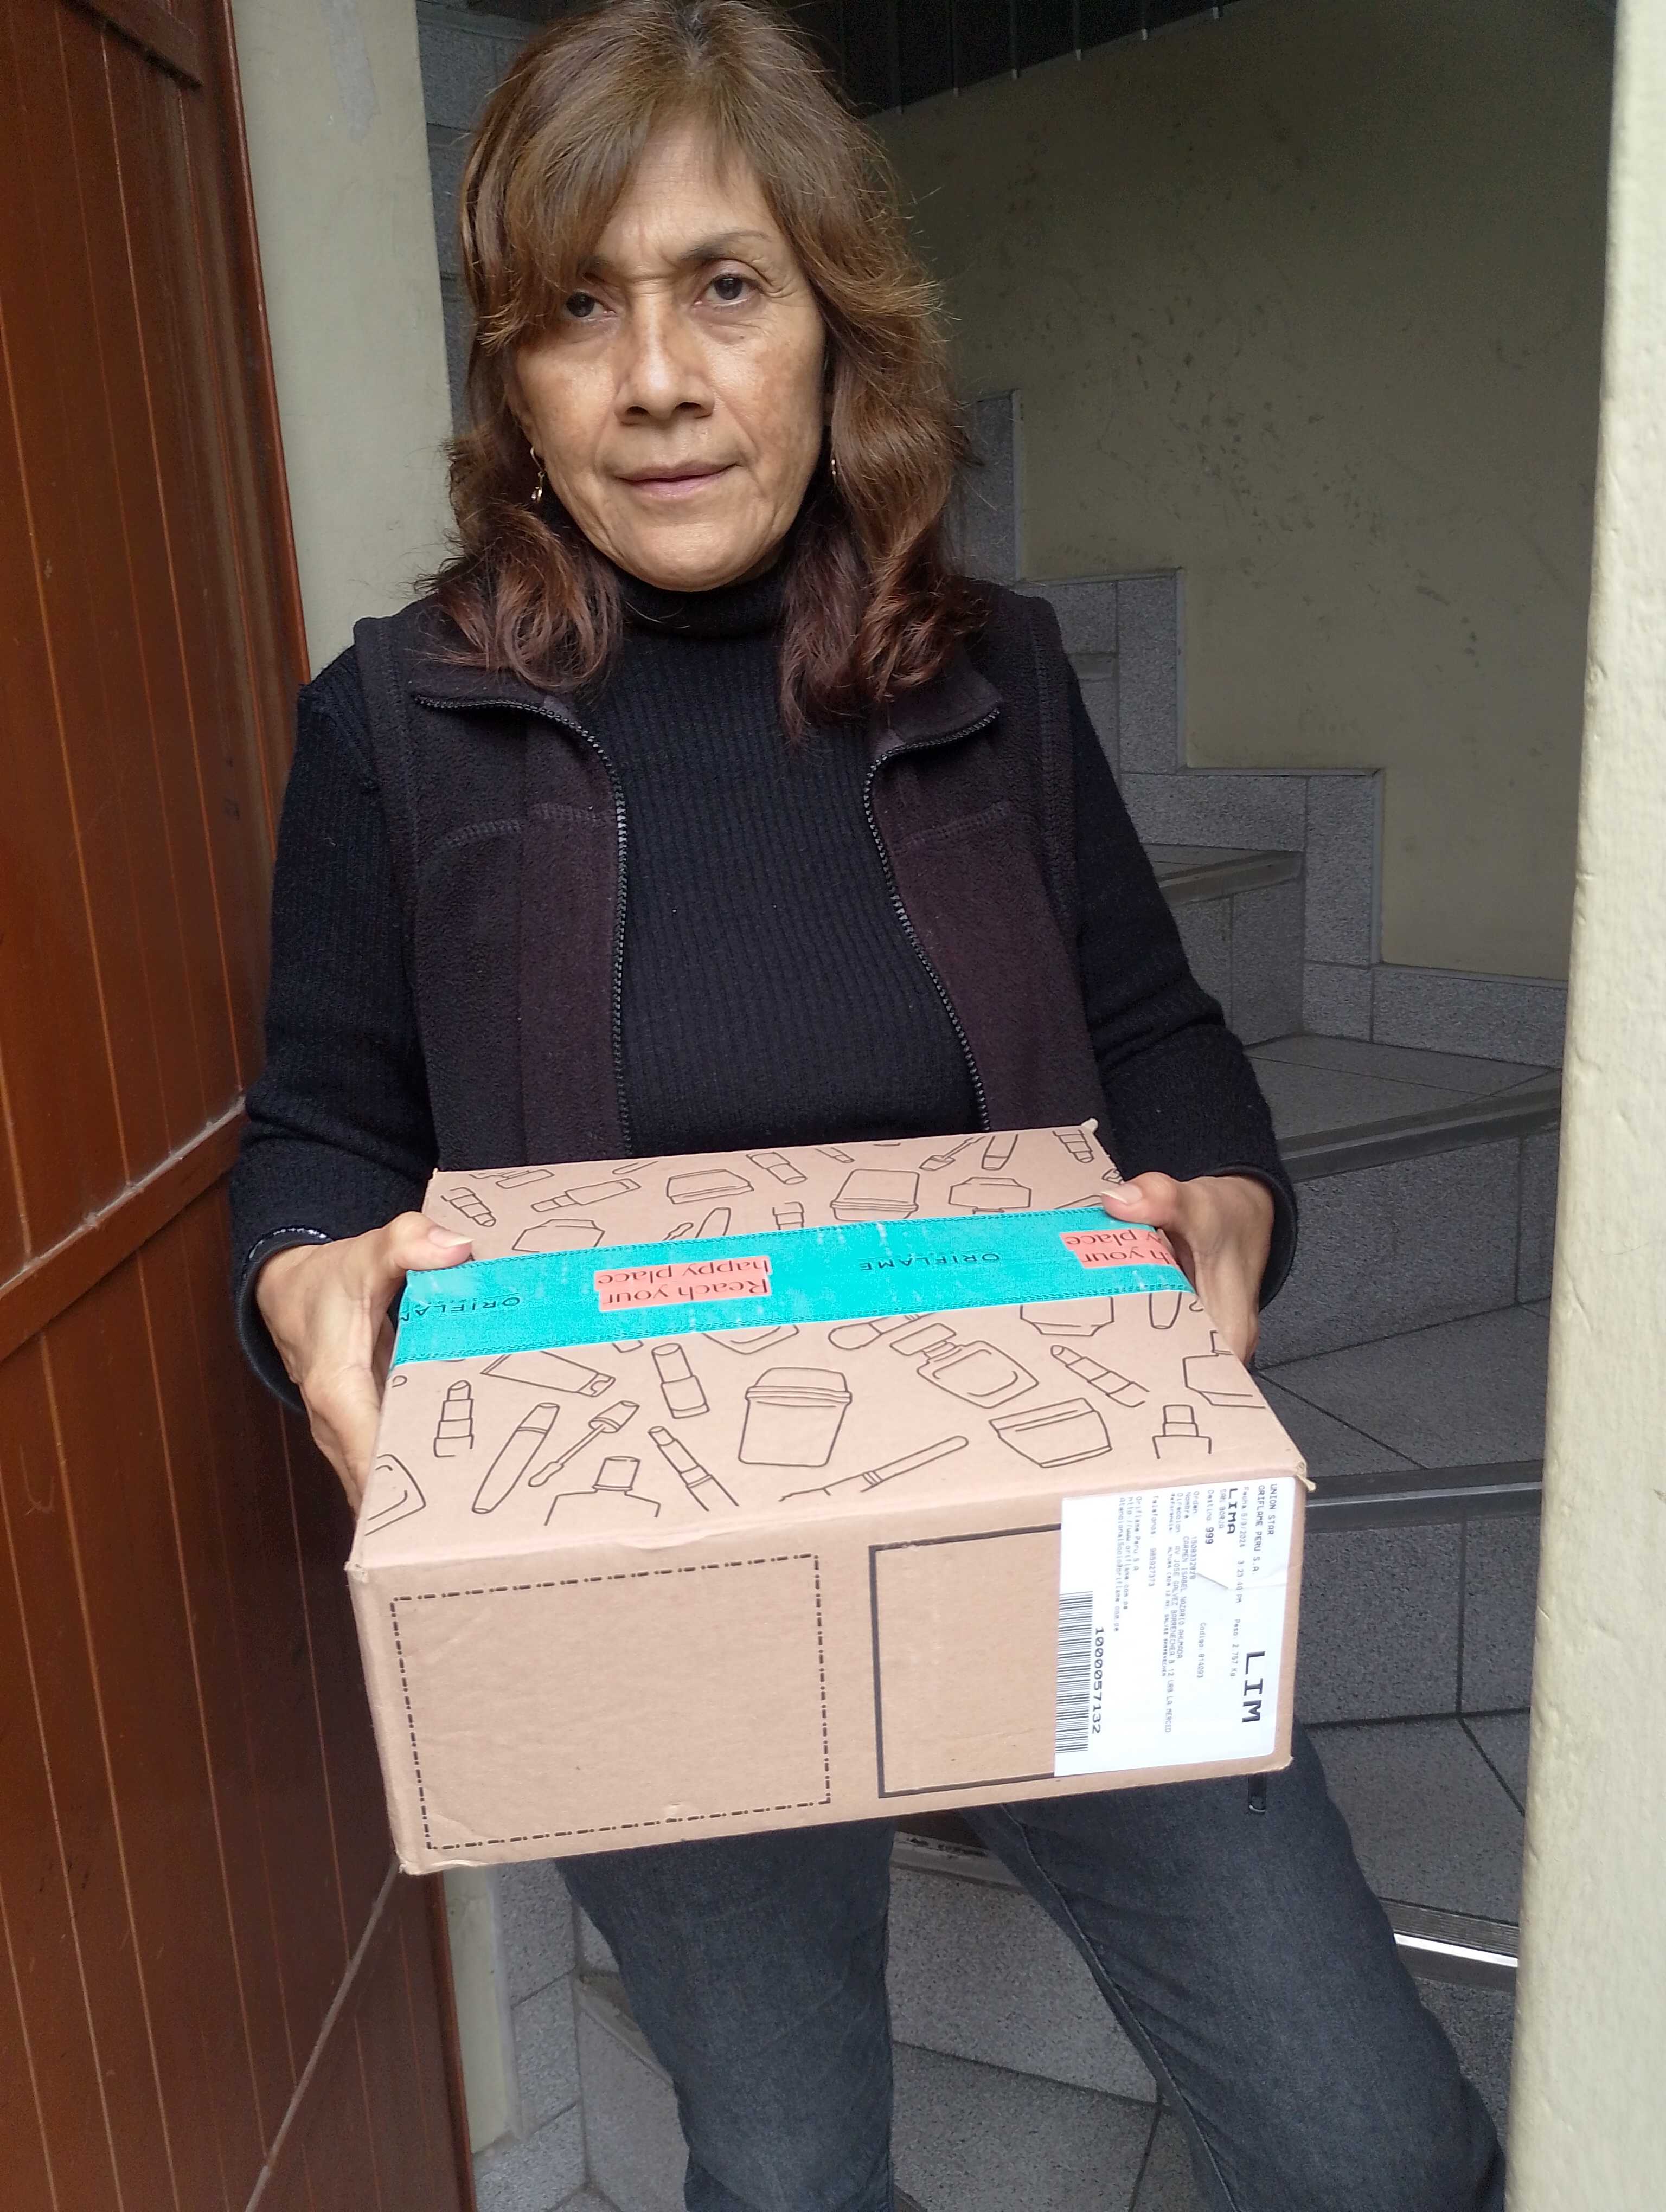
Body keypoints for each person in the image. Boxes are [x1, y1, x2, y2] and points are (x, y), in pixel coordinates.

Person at [230, 5, 1504, 2207]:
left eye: (725, 286)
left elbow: (1155, 1030)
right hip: (648, 1580)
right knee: (794, 2171)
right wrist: (302, 1283)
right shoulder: (398, 727)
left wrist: (1226, 1192)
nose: (657, 378)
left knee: (1374, 2148)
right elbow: (321, 1129)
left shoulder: (993, 676)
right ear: (514, 379)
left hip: (1050, 1499)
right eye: (578, 310)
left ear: (838, 323)